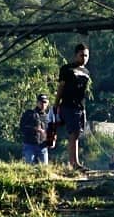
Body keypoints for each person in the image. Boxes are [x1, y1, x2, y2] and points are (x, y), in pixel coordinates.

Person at [52, 43, 92, 172]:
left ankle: (75, 162)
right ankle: (73, 163)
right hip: (68, 105)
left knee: (77, 134)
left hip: (80, 106)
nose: (84, 58)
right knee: (73, 133)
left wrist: (84, 108)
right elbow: (61, 87)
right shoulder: (67, 69)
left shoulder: (86, 72)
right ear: (76, 55)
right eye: (82, 55)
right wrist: (56, 104)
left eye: (86, 55)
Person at [19, 93, 51, 165]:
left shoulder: (48, 117)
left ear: (47, 103)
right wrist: (35, 129)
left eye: (44, 102)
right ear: (37, 103)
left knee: (44, 170)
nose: (43, 104)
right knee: (28, 168)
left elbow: (51, 131)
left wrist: (53, 139)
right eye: (41, 102)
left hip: (43, 147)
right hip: (29, 145)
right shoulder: (29, 114)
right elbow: (22, 127)